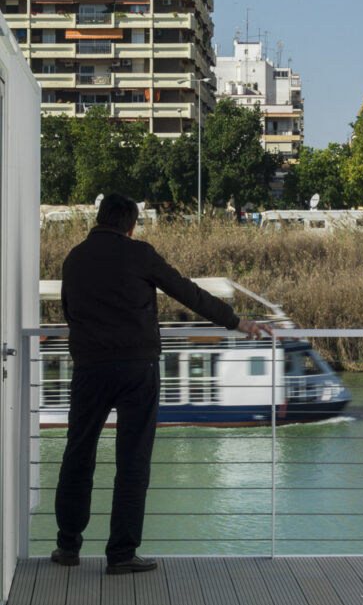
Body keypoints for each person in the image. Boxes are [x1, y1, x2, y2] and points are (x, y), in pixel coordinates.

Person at [52, 193, 272, 574]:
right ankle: (121, 554)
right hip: (137, 369)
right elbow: (188, 292)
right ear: (131, 225)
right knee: (132, 461)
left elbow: (69, 310)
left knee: (78, 453)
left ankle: (68, 547)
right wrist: (236, 322)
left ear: (98, 219)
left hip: (90, 368)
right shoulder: (140, 254)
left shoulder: (74, 258)